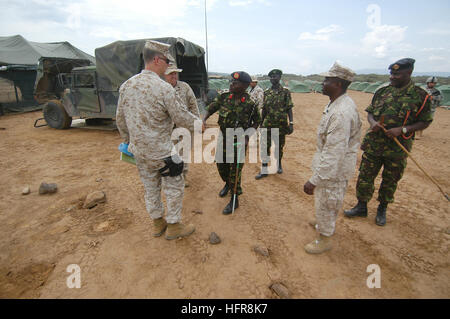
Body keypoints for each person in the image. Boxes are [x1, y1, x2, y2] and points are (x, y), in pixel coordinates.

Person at [116, 40, 202, 240]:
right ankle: (173, 226)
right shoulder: (163, 88)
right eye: (166, 61)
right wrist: (199, 125)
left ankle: (157, 224)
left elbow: (120, 120)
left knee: (150, 187)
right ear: (156, 60)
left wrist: (129, 141)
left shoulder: (126, 85)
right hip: (163, 153)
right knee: (174, 186)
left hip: (139, 151)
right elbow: (181, 117)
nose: (167, 66)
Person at [344, 58, 434, 226]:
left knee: (390, 179)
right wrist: (373, 123)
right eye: (391, 73)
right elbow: (370, 113)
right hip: (374, 144)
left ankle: (382, 209)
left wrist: (403, 130)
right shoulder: (383, 91)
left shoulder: (420, 96)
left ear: (409, 73)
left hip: (397, 148)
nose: (392, 77)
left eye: (397, 74)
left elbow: (426, 121)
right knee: (365, 177)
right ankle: (361, 206)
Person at [303, 62, 362, 254]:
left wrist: (315, 180)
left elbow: (334, 153)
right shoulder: (336, 103)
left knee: (329, 200)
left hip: (334, 168)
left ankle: (325, 238)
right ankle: (323, 223)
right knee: (324, 199)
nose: (322, 83)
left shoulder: (341, 113)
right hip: (331, 163)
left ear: (337, 83)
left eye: (326, 80)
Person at [203, 71, 260, 215]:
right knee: (221, 165)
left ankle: (234, 199)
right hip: (224, 137)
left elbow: (257, 121)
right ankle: (228, 184)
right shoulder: (223, 98)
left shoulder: (250, 104)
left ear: (245, 86)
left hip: (239, 140)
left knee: (235, 170)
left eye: (236, 83)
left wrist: (248, 136)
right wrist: (203, 119)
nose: (232, 85)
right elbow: (210, 109)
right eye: (231, 82)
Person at [164, 64, 200, 187]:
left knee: (184, 153)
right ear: (164, 75)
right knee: (170, 152)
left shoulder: (184, 87)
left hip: (185, 128)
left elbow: (193, 105)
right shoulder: (161, 88)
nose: (174, 75)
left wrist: (195, 123)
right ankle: (172, 175)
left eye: (175, 73)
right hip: (168, 129)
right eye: (171, 73)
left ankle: (183, 176)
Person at [255, 69, 294, 179]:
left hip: (281, 125)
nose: (273, 79)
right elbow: (264, 109)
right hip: (268, 124)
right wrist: (261, 123)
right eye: (271, 77)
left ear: (280, 77)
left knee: (279, 147)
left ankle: (278, 164)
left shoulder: (286, 92)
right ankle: (264, 169)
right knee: (265, 147)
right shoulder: (266, 93)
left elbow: (289, 108)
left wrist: (291, 123)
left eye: (275, 76)